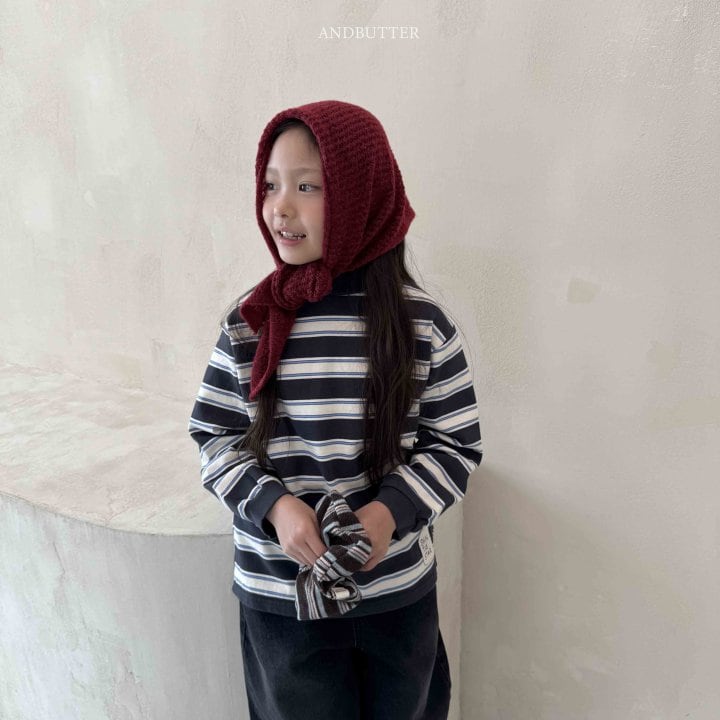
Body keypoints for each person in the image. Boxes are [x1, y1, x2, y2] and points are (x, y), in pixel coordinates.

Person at [188, 99, 482, 720]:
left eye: (307, 186)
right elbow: (214, 438)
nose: (280, 207)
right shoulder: (249, 324)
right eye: (270, 185)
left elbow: (455, 445)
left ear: (363, 196)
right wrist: (277, 507)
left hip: (395, 594)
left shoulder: (423, 326)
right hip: (281, 598)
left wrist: (386, 514)